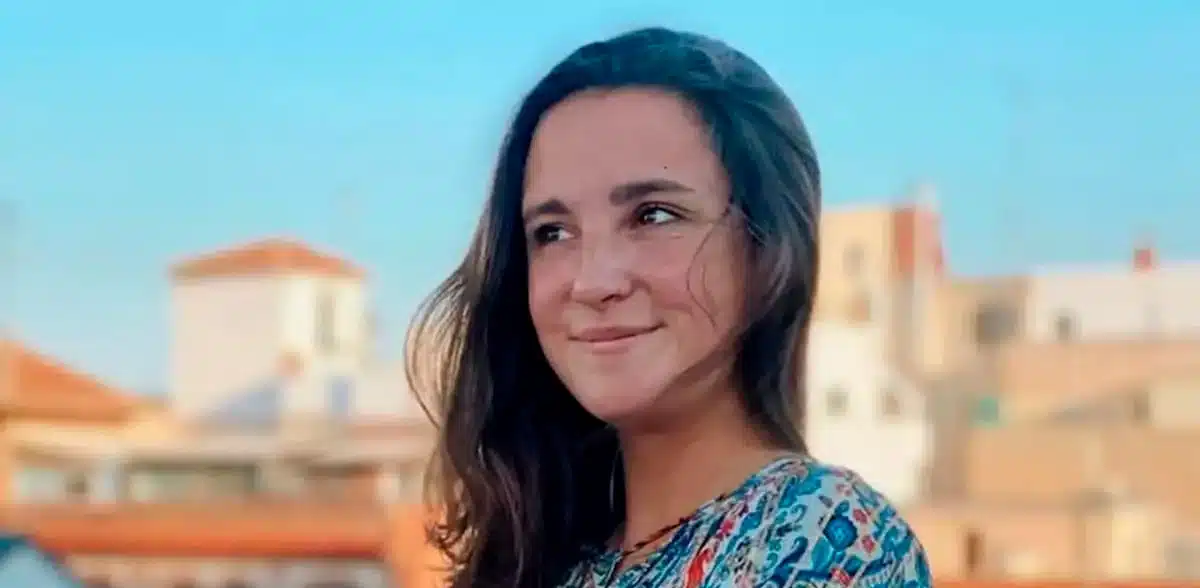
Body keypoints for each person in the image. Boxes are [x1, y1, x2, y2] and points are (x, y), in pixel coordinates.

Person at [407, 26, 933, 588]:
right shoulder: (549, 559)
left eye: (653, 216)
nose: (593, 282)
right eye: (553, 231)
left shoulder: (823, 537)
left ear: (765, 247)